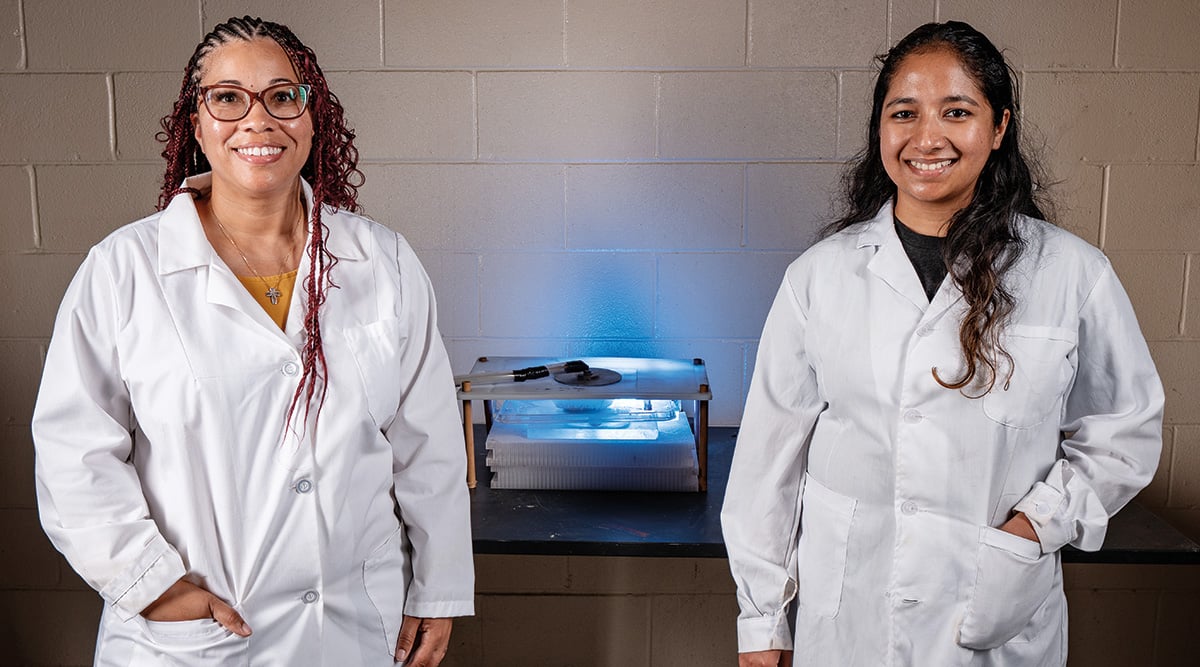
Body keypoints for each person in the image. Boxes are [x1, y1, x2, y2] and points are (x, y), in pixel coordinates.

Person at [32, 16, 473, 666]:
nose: (257, 119)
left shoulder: (383, 263)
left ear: (311, 115)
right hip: (194, 641)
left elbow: (429, 446)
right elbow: (74, 454)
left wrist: (439, 589)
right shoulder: (124, 270)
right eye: (229, 97)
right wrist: (151, 585)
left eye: (282, 96)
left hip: (348, 630)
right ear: (198, 123)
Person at [721, 21, 1162, 667]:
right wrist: (762, 621)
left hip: (994, 617)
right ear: (881, 128)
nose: (927, 137)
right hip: (850, 619)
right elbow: (768, 465)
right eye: (905, 113)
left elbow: (1126, 430)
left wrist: (1034, 525)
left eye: (957, 111)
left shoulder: (1072, 273)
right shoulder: (818, 277)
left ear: (999, 127)